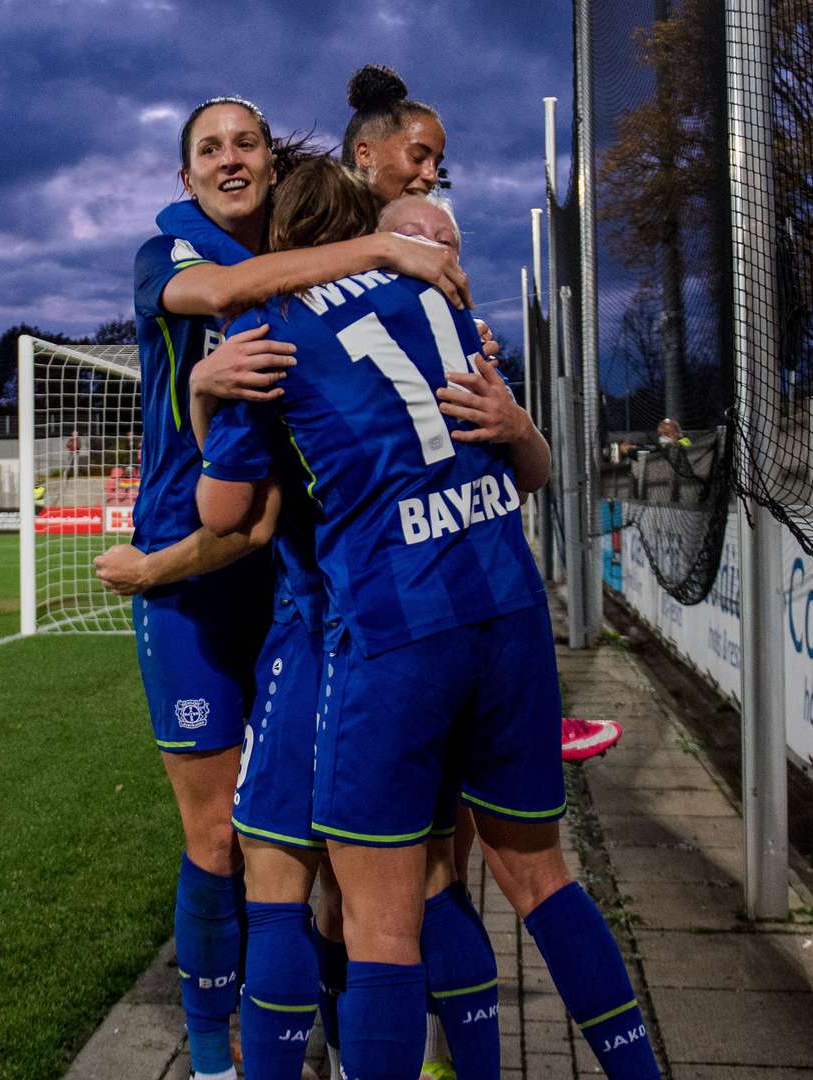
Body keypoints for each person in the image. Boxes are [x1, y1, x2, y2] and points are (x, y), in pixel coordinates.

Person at [201, 158, 659, 1079]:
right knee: (537, 876)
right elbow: (520, 461)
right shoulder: (442, 300)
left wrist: (206, 392)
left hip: (391, 630)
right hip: (509, 608)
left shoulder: (270, 326)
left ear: (284, 247)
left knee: (375, 916)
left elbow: (223, 517)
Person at [95, 93, 475, 1080]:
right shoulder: (171, 255)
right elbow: (220, 304)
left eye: (246, 143)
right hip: (194, 583)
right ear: (185, 179)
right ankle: (216, 1056)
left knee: (337, 839)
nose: (230, 158)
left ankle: (351, 1041)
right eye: (209, 148)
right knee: (217, 833)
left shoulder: (308, 268)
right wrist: (151, 565)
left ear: (271, 164)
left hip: (291, 585)